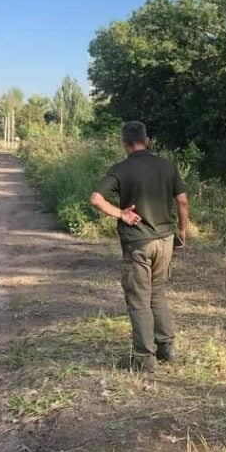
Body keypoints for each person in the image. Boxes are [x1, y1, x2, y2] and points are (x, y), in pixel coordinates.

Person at [90, 121, 189, 371]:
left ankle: (145, 358)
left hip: (139, 244)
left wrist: (121, 213)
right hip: (165, 240)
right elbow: (183, 201)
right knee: (157, 293)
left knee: (138, 299)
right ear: (147, 139)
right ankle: (167, 347)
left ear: (124, 143)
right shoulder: (167, 166)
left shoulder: (121, 169)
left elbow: (96, 199)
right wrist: (183, 231)